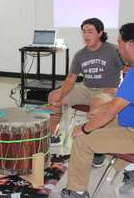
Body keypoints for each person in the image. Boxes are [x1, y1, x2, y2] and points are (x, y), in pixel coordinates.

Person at [61, 23, 134, 198]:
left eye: (119, 42)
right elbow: (119, 104)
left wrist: (84, 129)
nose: (118, 47)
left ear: (129, 44)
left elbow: (112, 111)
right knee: (96, 119)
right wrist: (97, 115)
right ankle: (131, 168)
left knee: (82, 140)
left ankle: (76, 191)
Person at [48, 18, 123, 165]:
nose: (86, 35)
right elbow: (71, 78)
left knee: (96, 104)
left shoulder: (113, 50)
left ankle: (98, 150)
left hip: (106, 90)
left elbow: (128, 70)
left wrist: (120, 88)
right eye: (84, 32)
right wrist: (60, 96)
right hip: (85, 88)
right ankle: (54, 134)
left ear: (100, 33)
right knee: (53, 96)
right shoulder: (80, 54)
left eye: (90, 31)